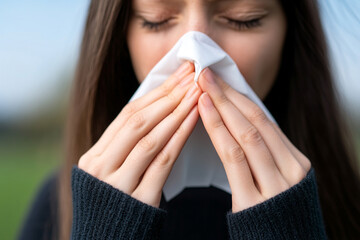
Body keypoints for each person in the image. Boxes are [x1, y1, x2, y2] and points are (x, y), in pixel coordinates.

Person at [18, 0, 360, 239]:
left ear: (291, 33)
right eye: (157, 19)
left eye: (244, 18)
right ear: (119, 37)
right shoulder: (59, 205)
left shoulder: (350, 201)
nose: (197, 57)